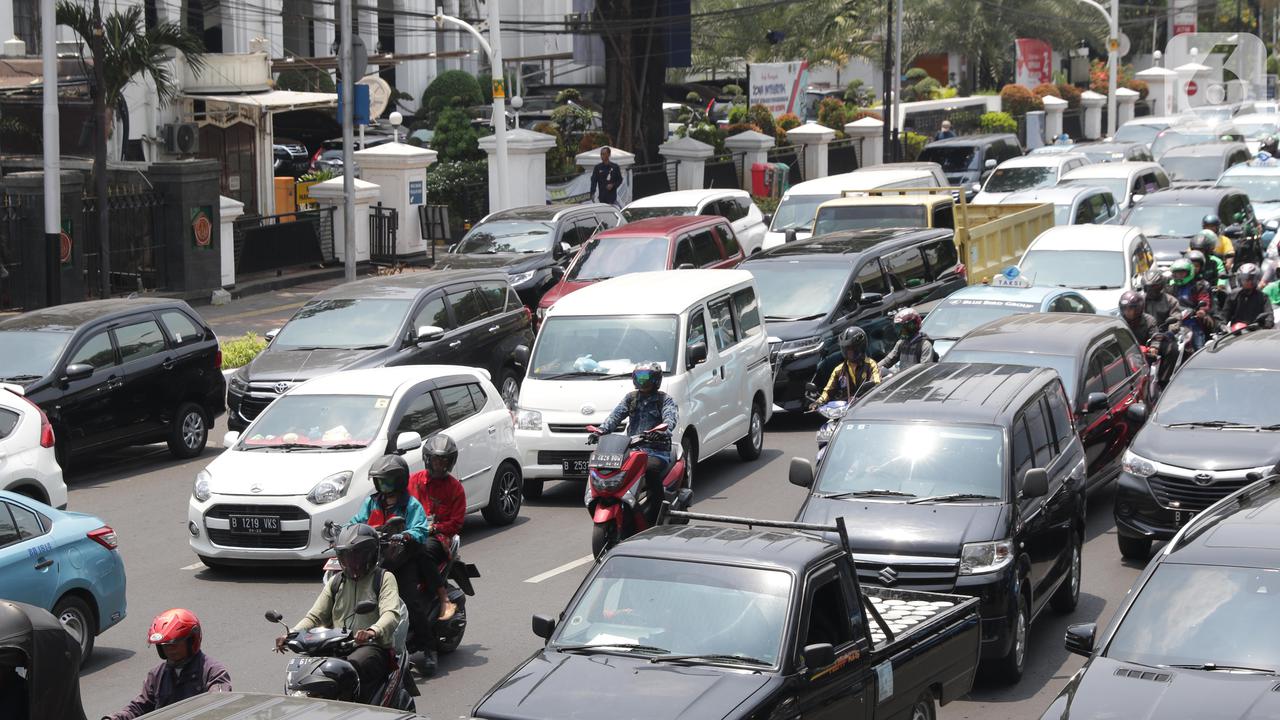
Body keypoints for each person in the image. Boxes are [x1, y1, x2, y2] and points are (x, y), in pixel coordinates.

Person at [277, 524, 400, 705]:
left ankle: (361, 709)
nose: (350, 562)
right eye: (345, 556)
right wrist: (290, 634)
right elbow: (315, 617)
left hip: (371, 646)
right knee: (300, 671)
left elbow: (391, 613)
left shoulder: (383, 578)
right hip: (335, 645)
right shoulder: (336, 582)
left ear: (370, 554)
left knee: (350, 668)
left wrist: (372, 631)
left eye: (355, 555)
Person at [349, 455, 432, 657]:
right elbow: (356, 521)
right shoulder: (371, 502)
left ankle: (429, 648)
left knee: (411, 602)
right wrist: (345, 532)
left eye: (386, 480)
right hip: (373, 560)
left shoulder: (410, 505)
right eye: (379, 480)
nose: (382, 485)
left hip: (401, 561)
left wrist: (405, 535)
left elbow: (421, 529)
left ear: (400, 480)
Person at [592, 363, 679, 526]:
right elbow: (614, 417)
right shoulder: (631, 398)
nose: (643, 382)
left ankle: (656, 517)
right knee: (614, 471)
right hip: (632, 449)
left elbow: (670, 419)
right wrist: (600, 431)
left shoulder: (664, 400)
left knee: (651, 472)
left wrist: (660, 431)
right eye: (640, 377)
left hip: (656, 451)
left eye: (646, 378)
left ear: (656, 380)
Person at [105, 610, 231, 720]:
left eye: (174, 644)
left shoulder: (212, 671)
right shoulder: (156, 675)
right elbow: (139, 707)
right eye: (164, 645)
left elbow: (218, 702)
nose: (170, 649)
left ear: (191, 641)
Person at [407, 435, 466, 625]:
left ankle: (443, 598)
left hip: (438, 539)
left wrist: (434, 528)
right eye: (436, 460)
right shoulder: (413, 481)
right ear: (427, 459)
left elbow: (456, 523)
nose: (440, 465)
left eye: (444, 461)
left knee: (421, 551)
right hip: (408, 534)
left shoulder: (455, 488)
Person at [813, 326, 881, 407]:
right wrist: (819, 402)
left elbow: (877, 385)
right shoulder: (839, 370)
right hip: (845, 411)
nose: (849, 353)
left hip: (866, 405)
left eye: (852, 349)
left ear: (861, 347)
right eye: (846, 349)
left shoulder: (871, 365)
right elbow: (828, 390)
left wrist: (864, 393)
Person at [1170, 257, 1214, 350]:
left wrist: (1202, 310)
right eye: (1177, 273)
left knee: (1199, 347)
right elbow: (1166, 299)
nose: (1179, 276)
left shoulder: (1199, 285)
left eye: (1182, 273)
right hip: (1175, 322)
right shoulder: (1171, 286)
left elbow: (1204, 300)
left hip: (1193, 322)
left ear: (1190, 272)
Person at [1220, 263, 1275, 329]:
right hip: (1236, 332)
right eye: (1243, 278)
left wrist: (1263, 324)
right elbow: (1224, 315)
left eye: (1249, 279)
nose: (1246, 281)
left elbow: (1269, 317)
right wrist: (1222, 325)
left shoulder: (1263, 297)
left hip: (1257, 332)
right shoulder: (1233, 295)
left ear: (1255, 279)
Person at [1119, 291, 1161, 357]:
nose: (1127, 311)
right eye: (1125, 308)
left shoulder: (1149, 320)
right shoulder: (1120, 323)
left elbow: (1155, 337)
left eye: (1130, 308)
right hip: (1126, 356)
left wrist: (1154, 347)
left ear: (1138, 308)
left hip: (1145, 355)